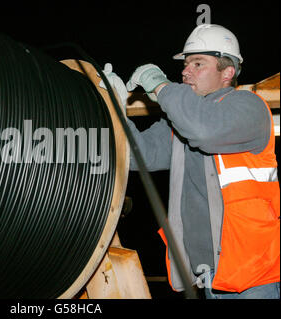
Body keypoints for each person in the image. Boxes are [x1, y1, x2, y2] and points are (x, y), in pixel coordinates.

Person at [100, 24, 280, 299]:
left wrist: (163, 87)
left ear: (227, 72)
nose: (185, 71)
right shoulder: (183, 122)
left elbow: (203, 130)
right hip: (210, 276)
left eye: (198, 64)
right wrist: (113, 109)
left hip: (253, 279)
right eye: (185, 64)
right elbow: (139, 155)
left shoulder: (248, 107)